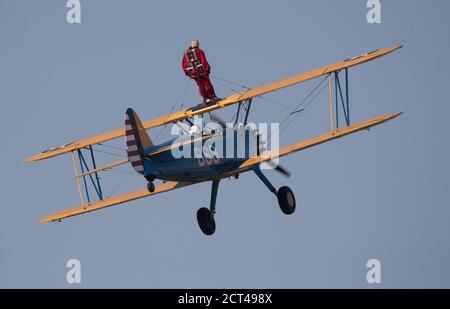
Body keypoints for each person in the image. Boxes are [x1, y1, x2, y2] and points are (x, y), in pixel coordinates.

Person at [182, 39, 219, 105]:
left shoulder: (186, 54)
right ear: (198, 45)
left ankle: (206, 98)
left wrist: (187, 73)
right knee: (207, 83)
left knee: (200, 85)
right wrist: (207, 69)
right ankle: (212, 96)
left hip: (193, 73)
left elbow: (184, 64)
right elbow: (203, 60)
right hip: (202, 71)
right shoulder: (199, 51)